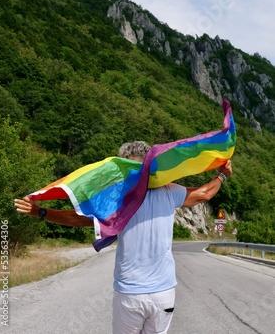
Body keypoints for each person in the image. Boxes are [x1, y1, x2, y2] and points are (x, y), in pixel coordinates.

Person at [14, 140, 233, 334]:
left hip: (130, 293)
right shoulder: (169, 190)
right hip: (163, 293)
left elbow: (79, 219)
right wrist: (222, 175)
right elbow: (204, 193)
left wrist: (41, 212)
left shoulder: (118, 197)